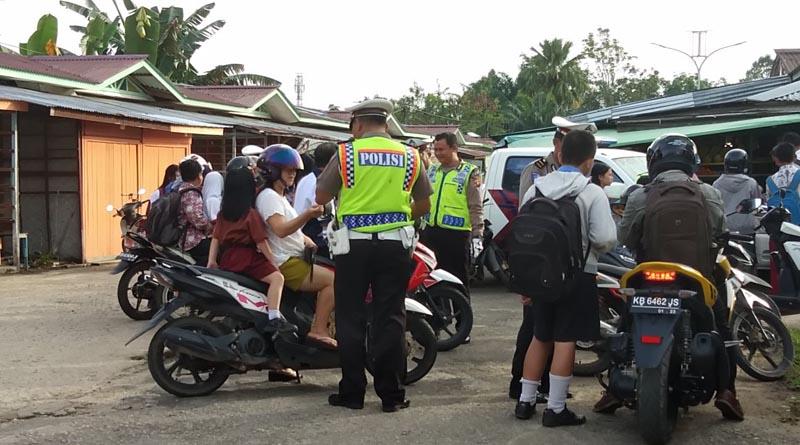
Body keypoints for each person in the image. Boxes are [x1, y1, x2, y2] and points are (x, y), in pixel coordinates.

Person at [615, 133, 743, 421]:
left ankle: (612, 389)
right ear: (690, 162)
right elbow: (721, 232)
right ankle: (727, 392)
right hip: (696, 279)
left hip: (648, 277)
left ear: (653, 163)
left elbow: (625, 238)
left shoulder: (640, 195)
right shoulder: (708, 194)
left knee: (626, 321)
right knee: (721, 329)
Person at [316, 99, 432, 413]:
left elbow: (321, 196)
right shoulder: (410, 155)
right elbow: (424, 203)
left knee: (350, 317)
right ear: (386, 123)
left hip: (353, 246)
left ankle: (353, 394)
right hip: (396, 245)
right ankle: (392, 396)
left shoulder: (345, 153)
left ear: (358, 124)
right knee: (391, 317)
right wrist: (400, 213)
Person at [514, 130, 616, 427]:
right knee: (565, 338)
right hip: (578, 274)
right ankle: (556, 408)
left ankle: (525, 401)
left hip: (541, 275)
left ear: (559, 155)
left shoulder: (537, 188)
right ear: (589, 161)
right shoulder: (591, 191)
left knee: (540, 335)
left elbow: (525, 230)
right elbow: (605, 238)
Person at [256, 144, 337, 349]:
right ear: (273, 171)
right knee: (334, 282)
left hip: (295, 255)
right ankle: (319, 329)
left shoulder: (280, 196)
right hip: (285, 262)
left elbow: (288, 229)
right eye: (288, 170)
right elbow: (281, 229)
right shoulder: (269, 197)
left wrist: (303, 238)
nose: (293, 174)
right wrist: (307, 215)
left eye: (294, 171)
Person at [206, 168, 295, 333]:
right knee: (278, 279)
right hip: (247, 258)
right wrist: (273, 262)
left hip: (228, 258)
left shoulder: (223, 214)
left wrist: (212, 260)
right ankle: (274, 317)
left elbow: (216, 237)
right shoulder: (250, 214)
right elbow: (261, 242)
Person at [422, 132, 484, 301]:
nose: (438, 153)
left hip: (456, 235)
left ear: (454, 148)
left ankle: (461, 321)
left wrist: (477, 234)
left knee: (458, 279)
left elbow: (476, 206)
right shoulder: (432, 170)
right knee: (430, 279)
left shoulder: (470, 172)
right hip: (431, 232)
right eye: (436, 150)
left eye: (442, 149)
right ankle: (435, 320)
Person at [518, 118, 597, 199]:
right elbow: (525, 207)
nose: (574, 150)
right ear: (556, 142)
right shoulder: (536, 169)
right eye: (569, 145)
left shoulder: (584, 167)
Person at [295, 143, 338, 258]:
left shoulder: (307, 179)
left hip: (304, 234)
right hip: (316, 241)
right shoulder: (321, 183)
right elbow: (324, 218)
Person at [713, 148, 761, 234]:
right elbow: (757, 205)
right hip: (747, 228)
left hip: (725, 228)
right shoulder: (751, 183)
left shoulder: (716, 184)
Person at [177, 159, 213, 265]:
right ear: (198, 176)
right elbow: (197, 218)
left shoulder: (180, 189)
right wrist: (209, 226)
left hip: (182, 237)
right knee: (218, 250)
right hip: (191, 240)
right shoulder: (191, 193)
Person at [766, 142, 800, 225]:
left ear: (776, 159)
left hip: (780, 225)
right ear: (794, 157)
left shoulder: (770, 180)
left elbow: (769, 202)